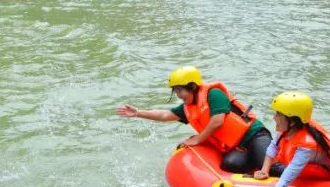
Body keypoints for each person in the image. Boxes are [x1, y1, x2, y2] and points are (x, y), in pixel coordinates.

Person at [116, 66, 272, 173]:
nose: (178, 95)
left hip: (255, 135)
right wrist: (138, 113)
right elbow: (165, 115)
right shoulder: (188, 107)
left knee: (269, 167)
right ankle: (257, 168)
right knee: (230, 164)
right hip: (238, 147)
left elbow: (217, 121)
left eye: (180, 90)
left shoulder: (214, 94)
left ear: (192, 86)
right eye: (175, 91)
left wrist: (198, 139)